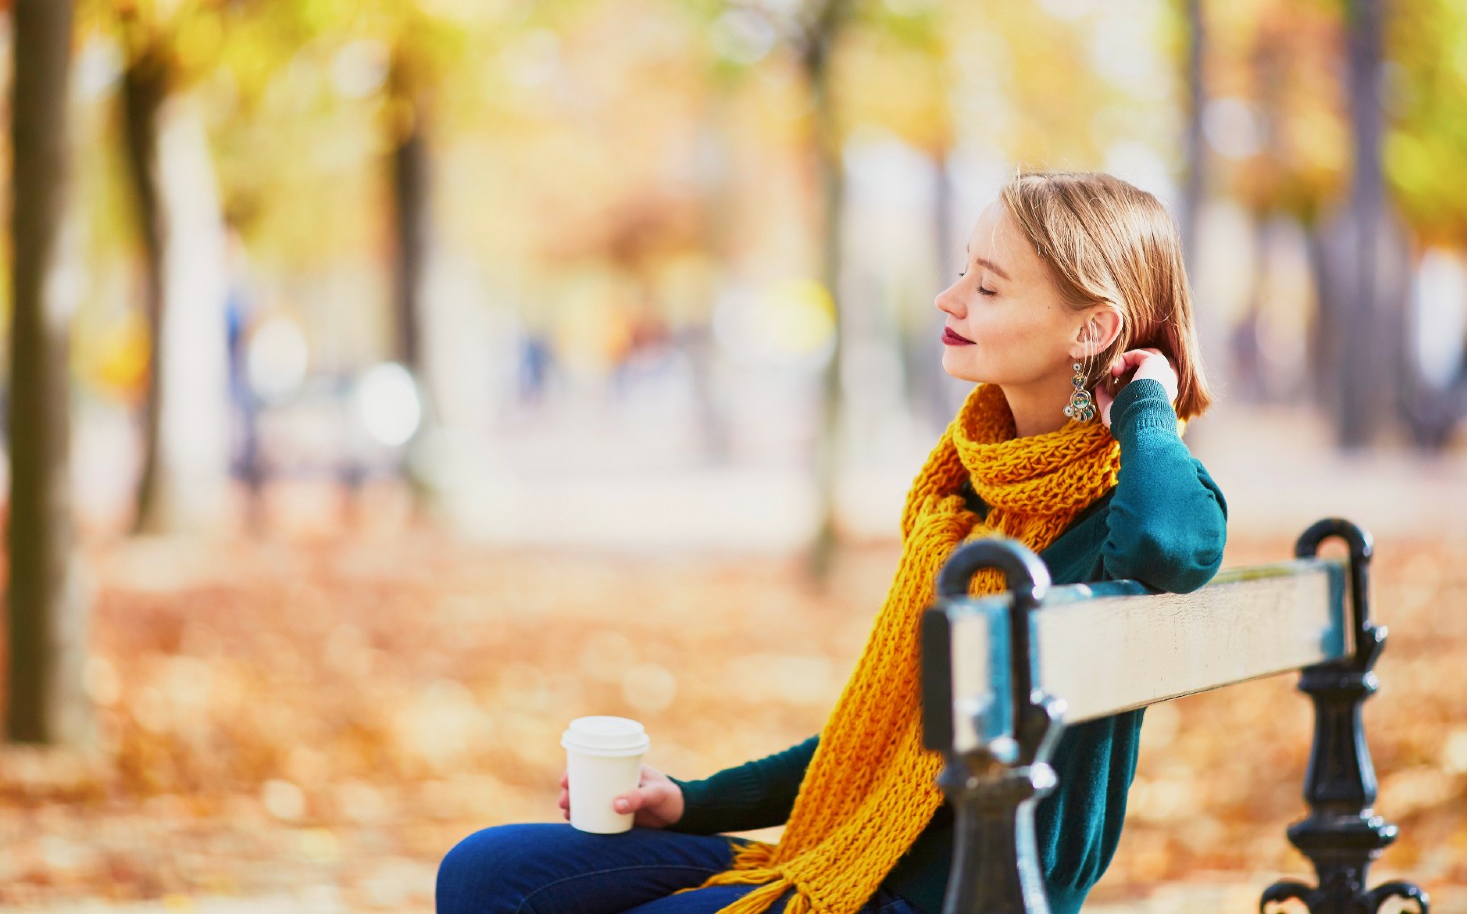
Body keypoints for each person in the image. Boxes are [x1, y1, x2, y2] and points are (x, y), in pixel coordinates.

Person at [436, 171, 1228, 914]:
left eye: (987, 286)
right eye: (964, 273)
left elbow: (1168, 545)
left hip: (946, 894)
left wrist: (1146, 400)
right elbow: (883, 743)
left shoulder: (1128, 499)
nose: (949, 299)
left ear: (1093, 327)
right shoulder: (967, 490)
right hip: (848, 852)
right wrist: (691, 801)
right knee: (483, 870)